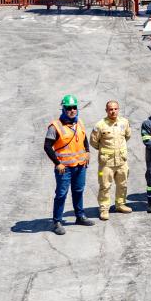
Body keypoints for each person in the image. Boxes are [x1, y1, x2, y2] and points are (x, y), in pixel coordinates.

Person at [45, 94, 94, 235]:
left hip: (80, 165)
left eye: (74, 108)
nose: (72, 110)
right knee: (61, 194)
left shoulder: (79, 123)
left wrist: (88, 151)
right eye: (69, 108)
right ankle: (57, 221)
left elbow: (84, 138)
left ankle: (80, 216)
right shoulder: (55, 127)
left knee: (78, 191)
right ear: (63, 109)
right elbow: (47, 146)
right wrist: (57, 163)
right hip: (64, 168)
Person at [90, 100, 132, 221]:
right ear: (106, 110)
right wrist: (104, 150)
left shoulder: (124, 122)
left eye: (115, 109)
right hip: (106, 163)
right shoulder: (100, 125)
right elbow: (93, 142)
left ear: (118, 109)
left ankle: (120, 204)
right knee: (105, 186)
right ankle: (104, 209)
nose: (113, 111)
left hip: (122, 162)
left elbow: (127, 136)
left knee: (122, 184)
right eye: (110, 109)